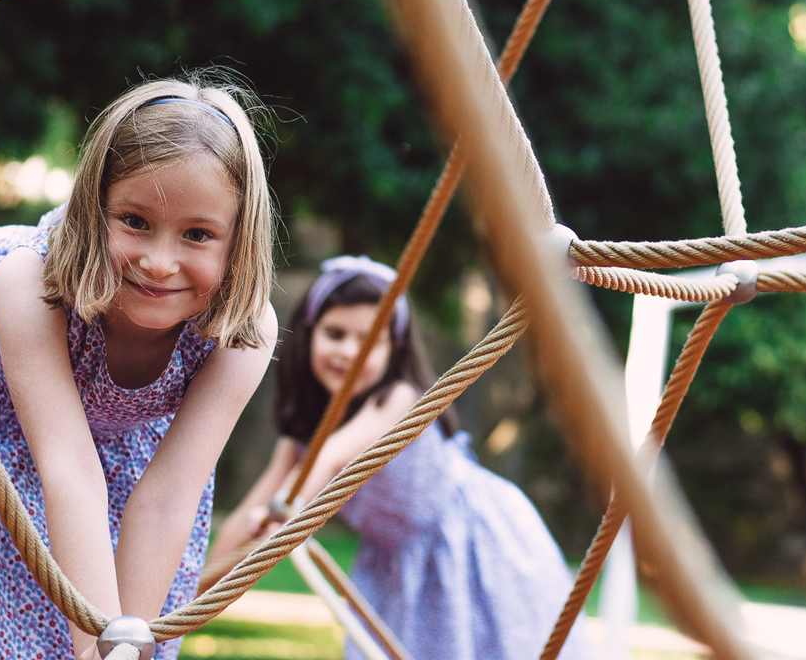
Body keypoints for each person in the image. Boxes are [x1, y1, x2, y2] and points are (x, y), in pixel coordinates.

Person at [0, 75, 278, 660]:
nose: (158, 261)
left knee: (87, 625)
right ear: (93, 209)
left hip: (119, 444)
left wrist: (120, 648)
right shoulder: (30, 285)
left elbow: (170, 496)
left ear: (239, 242)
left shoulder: (242, 332)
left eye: (198, 235)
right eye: (134, 221)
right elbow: (68, 467)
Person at [209, 256, 594, 660]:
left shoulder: (397, 399)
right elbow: (249, 511)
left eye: (368, 340)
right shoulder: (301, 438)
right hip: (395, 562)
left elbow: (331, 460)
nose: (348, 352)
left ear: (394, 349)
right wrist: (198, 593)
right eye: (335, 333)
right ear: (308, 335)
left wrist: (284, 509)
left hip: (470, 540)